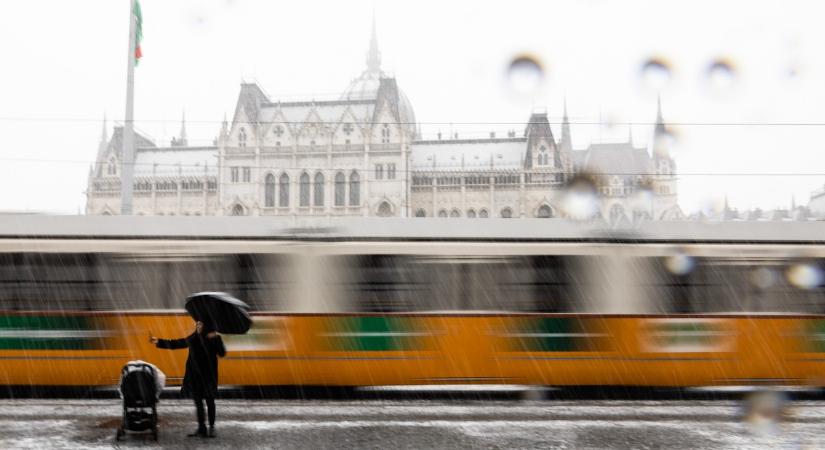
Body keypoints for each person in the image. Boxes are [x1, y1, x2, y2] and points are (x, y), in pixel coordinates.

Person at [150, 320, 226, 438]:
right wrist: (159, 341)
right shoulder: (194, 337)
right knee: (198, 403)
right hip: (195, 376)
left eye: (201, 324)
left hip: (209, 376)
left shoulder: (215, 337)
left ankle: (211, 427)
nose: (198, 326)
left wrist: (215, 339)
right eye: (197, 324)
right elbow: (178, 343)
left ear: (207, 326)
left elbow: (222, 353)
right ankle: (202, 428)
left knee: (210, 402)